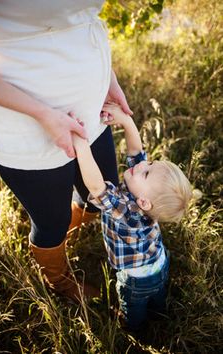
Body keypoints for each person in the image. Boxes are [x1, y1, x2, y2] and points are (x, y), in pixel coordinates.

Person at [0, 1, 132, 301]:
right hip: (27, 126)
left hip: (91, 114)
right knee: (51, 221)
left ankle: (75, 226)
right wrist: (42, 114)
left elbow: (80, 21)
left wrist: (107, 77)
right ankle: (60, 282)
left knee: (101, 195)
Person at [72, 102, 192, 331]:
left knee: (133, 307)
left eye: (146, 171)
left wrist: (82, 146)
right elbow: (137, 154)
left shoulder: (128, 213)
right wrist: (126, 122)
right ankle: (159, 312)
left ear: (145, 202)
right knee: (158, 298)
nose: (143, 164)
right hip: (159, 263)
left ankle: (133, 328)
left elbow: (97, 187)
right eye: (151, 163)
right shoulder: (144, 198)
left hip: (136, 280)